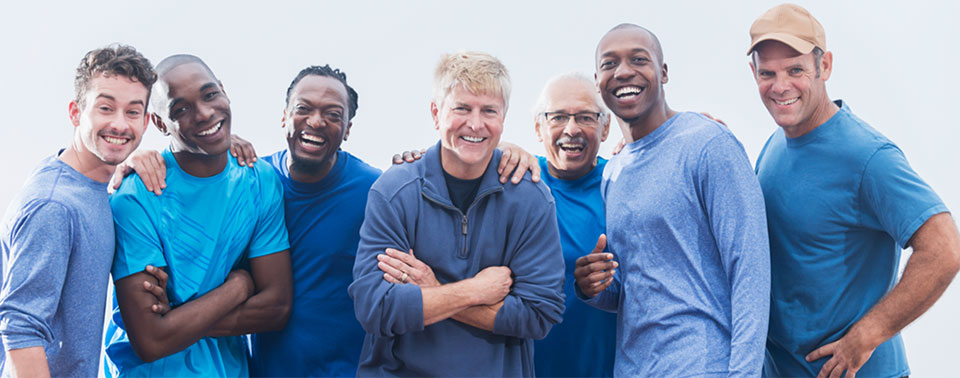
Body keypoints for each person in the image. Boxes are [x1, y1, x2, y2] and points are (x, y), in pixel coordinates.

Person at [747, 4, 960, 378]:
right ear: (754, 74)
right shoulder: (774, 146)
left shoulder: (868, 157)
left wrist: (866, 335)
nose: (780, 86)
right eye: (768, 73)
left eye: (795, 70)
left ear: (824, 66)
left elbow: (945, 249)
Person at [349, 51, 565, 377]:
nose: (475, 124)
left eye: (488, 110)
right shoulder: (393, 192)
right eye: (461, 108)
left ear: (504, 118)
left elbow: (539, 315)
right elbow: (375, 309)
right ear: (436, 113)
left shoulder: (531, 200)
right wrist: (475, 291)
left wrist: (432, 289)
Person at [574, 24, 770, 376]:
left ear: (663, 73)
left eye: (639, 59)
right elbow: (638, 289)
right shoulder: (613, 172)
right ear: (598, 80)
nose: (623, 72)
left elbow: (751, 271)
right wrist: (593, 287)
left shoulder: (708, 144)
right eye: (609, 64)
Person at [103, 54, 292, 377]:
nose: (204, 114)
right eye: (181, 109)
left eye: (209, 95)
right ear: (160, 123)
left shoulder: (259, 180)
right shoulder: (136, 196)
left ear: (224, 91)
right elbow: (150, 341)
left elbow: (277, 307)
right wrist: (240, 287)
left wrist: (177, 322)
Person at [0, 45, 156, 378]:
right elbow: (20, 330)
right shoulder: (54, 206)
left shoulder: (87, 183)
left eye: (132, 112)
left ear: (146, 121)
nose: (119, 124)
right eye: (105, 107)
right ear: (75, 113)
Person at [246, 65, 380, 377]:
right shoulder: (253, 182)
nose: (316, 121)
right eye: (303, 109)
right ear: (284, 116)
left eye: (333, 114)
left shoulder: (376, 192)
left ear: (347, 128)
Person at [530, 73, 616, 377]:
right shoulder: (516, 181)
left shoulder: (622, 185)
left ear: (605, 128)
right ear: (538, 127)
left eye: (586, 117)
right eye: (558, 117)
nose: (571, 128)